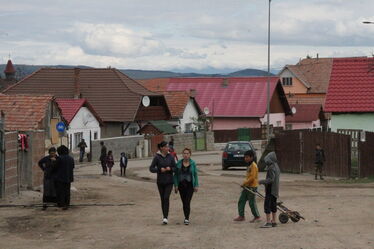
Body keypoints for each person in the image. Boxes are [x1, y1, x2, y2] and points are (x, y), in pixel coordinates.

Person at [149, 141, 176, 225]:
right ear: (161, 148)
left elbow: (175, 168)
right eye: (166, 147)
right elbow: (151, 168)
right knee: (162, 199)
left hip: (169, 181)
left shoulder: (171, 157)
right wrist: (159, 170)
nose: (168, 148)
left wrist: (170, 169)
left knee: (166, 197)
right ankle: (164, 217)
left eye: (168, 147)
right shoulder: (157, 157)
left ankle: (166, 217)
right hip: (160, 182)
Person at [233, 150, 261, 223]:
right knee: (241, 200)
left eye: (247, 157)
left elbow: (252, 178)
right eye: (245, 157)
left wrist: (244, 183)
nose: (245, 158)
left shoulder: (254, 166)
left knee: (251, 202)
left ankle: (257, 217)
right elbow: (249, 177)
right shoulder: (249, 165)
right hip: (247, 186)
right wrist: (245, 184)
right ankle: (241, 216)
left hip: (252, 186)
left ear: (251, 157)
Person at [173, 148, 199, 225]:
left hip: (190, 185)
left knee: (187, 201)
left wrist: (196, 185)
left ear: (190, 154)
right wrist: (176, 185)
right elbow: (175, 175)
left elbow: (195, 175)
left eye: (187, 153)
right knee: (184, 202)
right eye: (184, 153)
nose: (186, 155)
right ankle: (186, 216)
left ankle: (186, 218)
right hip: (181, 185)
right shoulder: (179, 163)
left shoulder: (193, 163)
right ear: (182, 154)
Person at [259, 152, 280, 228]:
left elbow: (271, 180)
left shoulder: (271, 167)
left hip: (270, 189)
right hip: (275, 189)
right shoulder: (276, 166)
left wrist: (261, 181)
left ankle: (268, 222)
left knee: (267, 205)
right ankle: (274, 221)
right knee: (273, 205)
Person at [54, 145, 75, 210]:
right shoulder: (71, 158)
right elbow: (73, 167)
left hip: (60, 177)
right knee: (67, 191)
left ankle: (61, 204)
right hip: (68, 177)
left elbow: (55, 167)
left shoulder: (59, 158)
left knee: (60, 191)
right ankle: (67, 204)